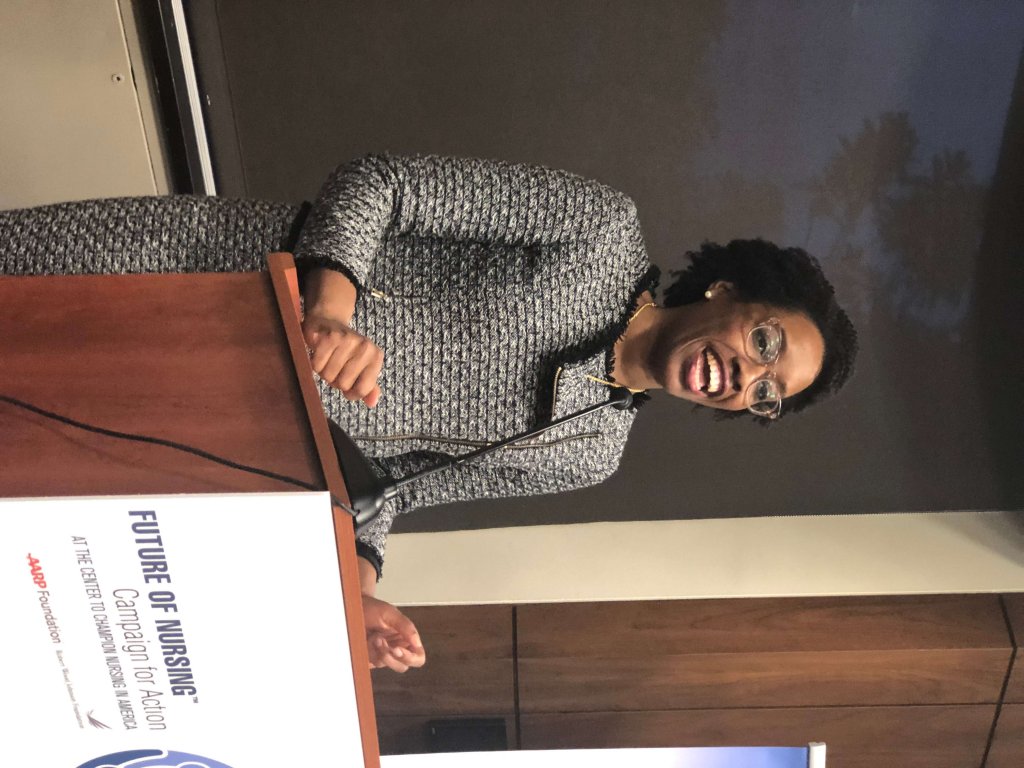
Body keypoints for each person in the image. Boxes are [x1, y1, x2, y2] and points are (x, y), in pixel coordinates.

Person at [0, 153, 857, 673]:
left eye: (766, 394)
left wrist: (362, 590)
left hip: (207, 429)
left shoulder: (591, 452)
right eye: (766, 343)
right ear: (727, 292)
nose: (746, 378)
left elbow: (396, 489)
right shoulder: (601, 233)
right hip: (200, 279)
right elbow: (383, 183)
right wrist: (330, 312)